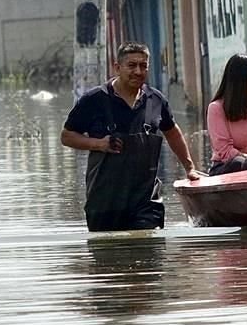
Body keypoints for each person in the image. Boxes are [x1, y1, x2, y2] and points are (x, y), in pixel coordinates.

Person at [61, 41, 201, 232]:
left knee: (149, 242)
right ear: (117, 67)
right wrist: (99, 144)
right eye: (132, 65)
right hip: (105, 201)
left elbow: (173, 133)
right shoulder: (94, 100)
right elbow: (67, 136)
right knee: (108, 248)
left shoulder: (156, 100)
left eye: (143, 66)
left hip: (146, 201)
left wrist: (190, 168)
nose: (138, 71)